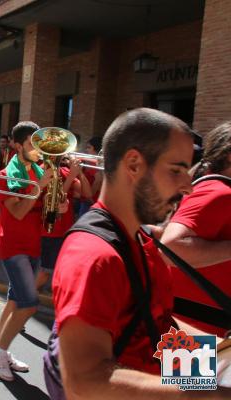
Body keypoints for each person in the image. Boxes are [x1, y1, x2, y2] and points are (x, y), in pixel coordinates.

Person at [44, 108, 231, 399]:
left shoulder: (141, 240)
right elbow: (84, 380)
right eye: (176, 170)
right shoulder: (94, 256)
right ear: (133, 165)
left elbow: (155, 327)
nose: (187, 187)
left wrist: (213, 366)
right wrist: (213, 394)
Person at [0, 121, 54, 381]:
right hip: (13, 245)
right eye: (31, 145)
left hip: (33, 242)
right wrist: (39, 187)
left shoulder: (38, 170)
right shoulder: (6, 175)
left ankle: (0, 351)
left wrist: (57, 201)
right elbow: (18, 212)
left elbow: (43, 211)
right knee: (28, 303)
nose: (37, 150)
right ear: (17, 145)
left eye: (38, 145)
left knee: (15, 300)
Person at [161, 121, 231, 337]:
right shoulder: (219, 193)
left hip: (201, 324)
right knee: (182, 373)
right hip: (194, 328)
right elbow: (170, 247)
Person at [35, 156, 92, 292]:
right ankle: (26, 297)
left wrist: (79, 172)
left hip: (66, 229)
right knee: (46, 270)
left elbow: (88, 194)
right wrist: (72, 176)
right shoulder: (43, 170)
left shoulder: (66, 171)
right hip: (50, 228)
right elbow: (54, 200)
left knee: (60, 266)